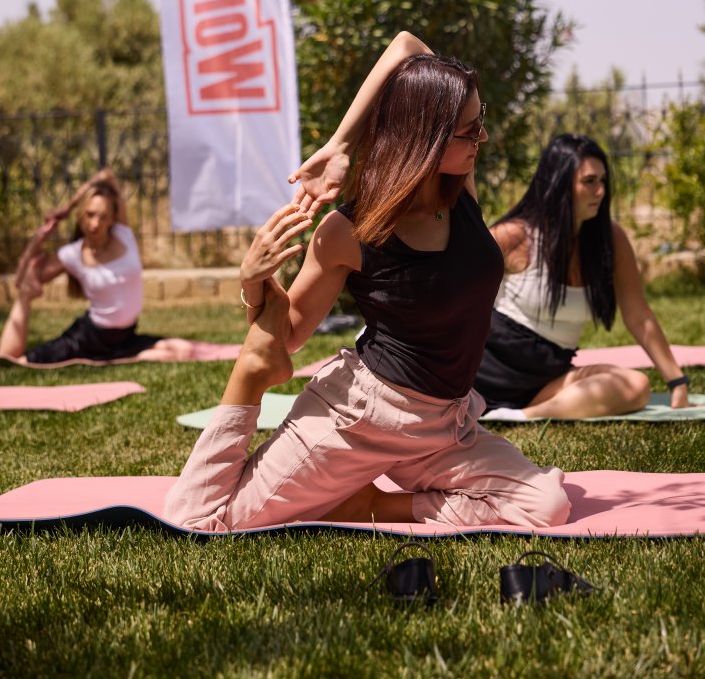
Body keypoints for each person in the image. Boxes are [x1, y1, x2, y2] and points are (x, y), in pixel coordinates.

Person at [164, 33, 570, 531]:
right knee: (206, 520)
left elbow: (406, 47)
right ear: (427, 135)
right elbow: (288, 333)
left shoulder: (460, 188)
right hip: (361, 418)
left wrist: (339, 144)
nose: (481, 138)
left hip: (446, 425)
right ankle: (246, 379)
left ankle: (372, 504)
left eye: (478, 121)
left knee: (547, 505)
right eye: (470, 130)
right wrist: (253, 282)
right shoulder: (349, 231)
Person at [475, 134, 691, 421]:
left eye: (603, 181)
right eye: (589, 181)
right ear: (560, 183)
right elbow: (455, 301)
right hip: (487, 373)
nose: (600, 191)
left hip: (547, 381)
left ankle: (521, 416)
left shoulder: (610, 240)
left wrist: (676, 380)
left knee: (637, 385)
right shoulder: (514, 236)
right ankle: (495, 409)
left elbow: (639, 315)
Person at [0, 168, 192, 364]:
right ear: (81, 215)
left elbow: (107, 175)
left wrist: (68, 205)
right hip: (88, 338)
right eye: (89, 215)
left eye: (103, 216)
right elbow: (22, 281)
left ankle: (118, 356)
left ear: (113, 218)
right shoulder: (72, 254)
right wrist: (40, 238)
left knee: (184, 350)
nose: (95, 223)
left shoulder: (123, 233)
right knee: (17, 362)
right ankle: (112, 356)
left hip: (126, 335)